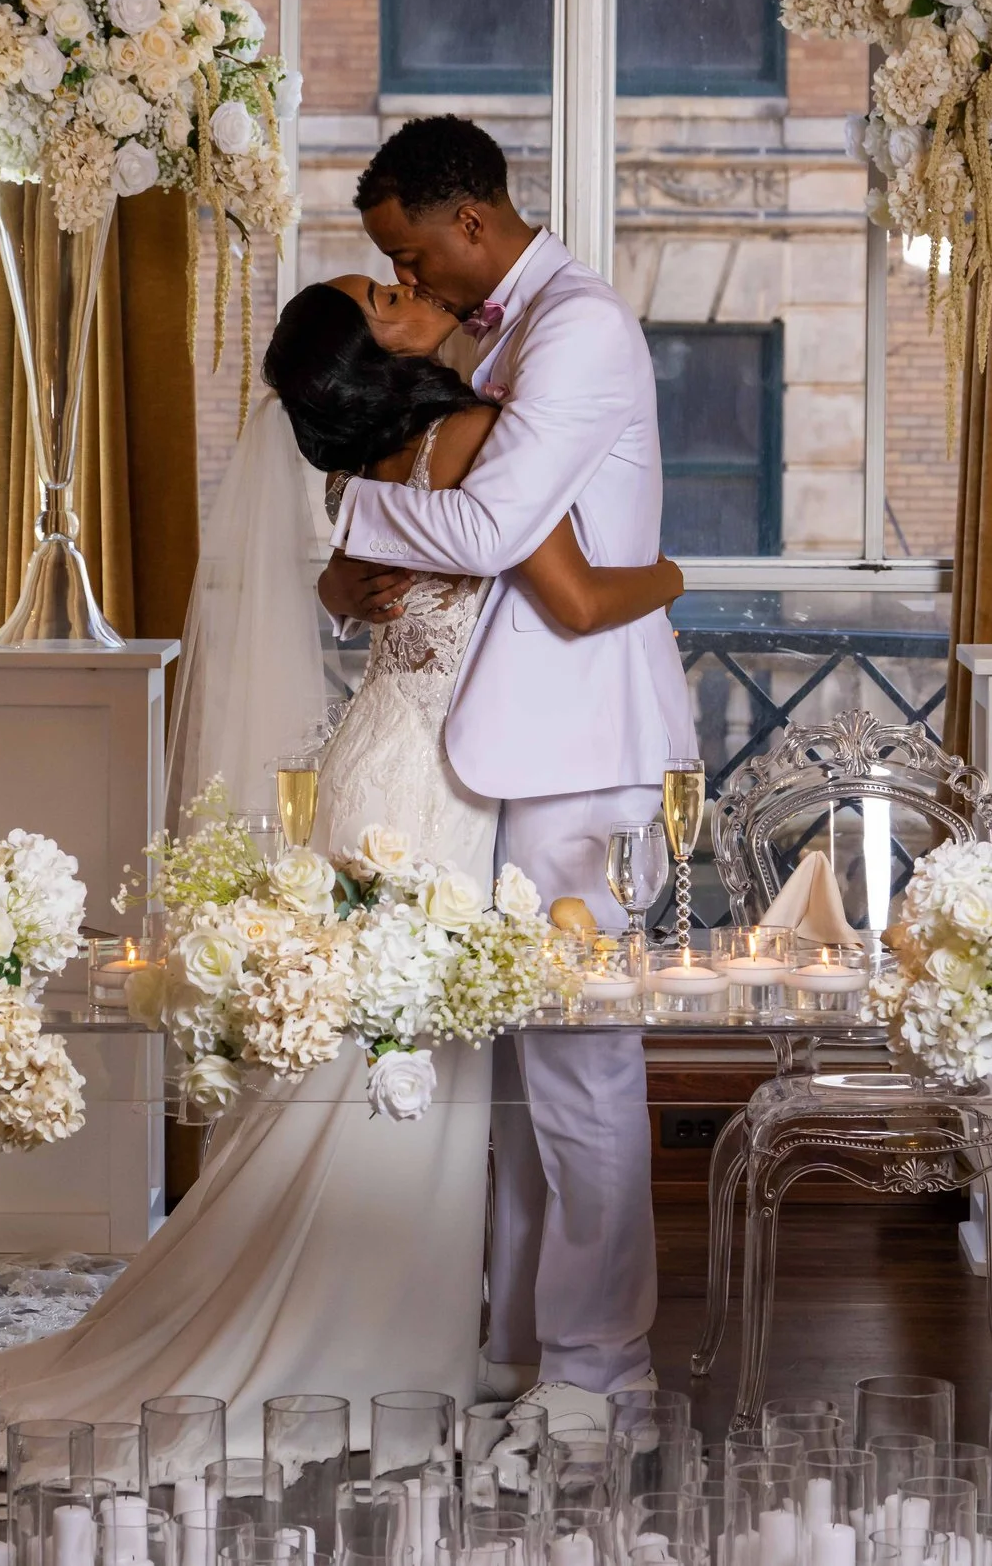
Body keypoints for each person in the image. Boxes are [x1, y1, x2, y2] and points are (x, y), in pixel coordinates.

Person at [0, 260, 683, 1449]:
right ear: (380, 353)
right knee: (427, 1057)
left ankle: (420, 1317)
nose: (408, 291)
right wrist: (671, 571)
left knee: (379, 1050)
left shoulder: (365, 470)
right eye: (384, 296)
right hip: (445, 791)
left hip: (378, 767)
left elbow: (345, 589)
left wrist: (362, 587)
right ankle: (388, 1320)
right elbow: (567, 594)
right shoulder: (474, 434)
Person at [323, 116, 696, 1403]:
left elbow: (488, 525)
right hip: (508, 749)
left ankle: (603, 1370)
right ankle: (522, 1350)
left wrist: (339, 497)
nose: (410, 283)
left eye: (411, 254)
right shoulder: (508, 328)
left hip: (586, 749)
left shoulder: (581, 326)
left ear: (469, 222)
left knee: (581, 1066)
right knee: (525, 1081)